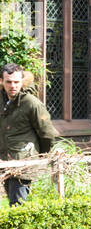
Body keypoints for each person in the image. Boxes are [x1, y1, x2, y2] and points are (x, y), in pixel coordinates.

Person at [0, 62, 58, 205]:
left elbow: (47, 133)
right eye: (8, 82)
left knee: (19, 204)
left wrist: (41, 155)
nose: (12, 86)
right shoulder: (3, 101)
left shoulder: (31, 103)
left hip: (23, 161)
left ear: (22, 82)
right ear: (2, 81)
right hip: (4, 158)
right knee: (11, 199)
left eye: (16, 82)